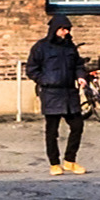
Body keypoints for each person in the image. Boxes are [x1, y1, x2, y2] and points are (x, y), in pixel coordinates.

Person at [26, 13, 88, 173]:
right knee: (52, 130)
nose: (65, 32)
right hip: (51, 93)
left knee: (77, 126)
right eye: (62, 29)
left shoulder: (70, 47)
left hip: (69, 92)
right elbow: (31, 69)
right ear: (55, 30)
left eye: (67, 29)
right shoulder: (41, 47)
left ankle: (70, 160)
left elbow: (78, 65)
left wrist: (81, 77)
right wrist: (44, 80)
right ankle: (54, 163)